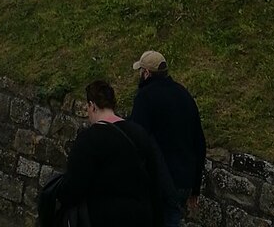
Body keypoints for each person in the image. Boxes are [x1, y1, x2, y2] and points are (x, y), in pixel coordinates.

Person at [41, 79, 175, 227]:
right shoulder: (139, 133)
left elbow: (73, 187)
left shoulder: (89, 139)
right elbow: (154, 182)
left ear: (92, 106)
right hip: (140, 217)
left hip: (103, 217)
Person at [129, 50, 206, 227]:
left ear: (146, 73)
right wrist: (195, 187)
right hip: (184, 180)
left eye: (140, 71)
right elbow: (199, 142)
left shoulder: (145, 97)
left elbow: (137, 138)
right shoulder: (184, 95)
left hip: (159, 180)